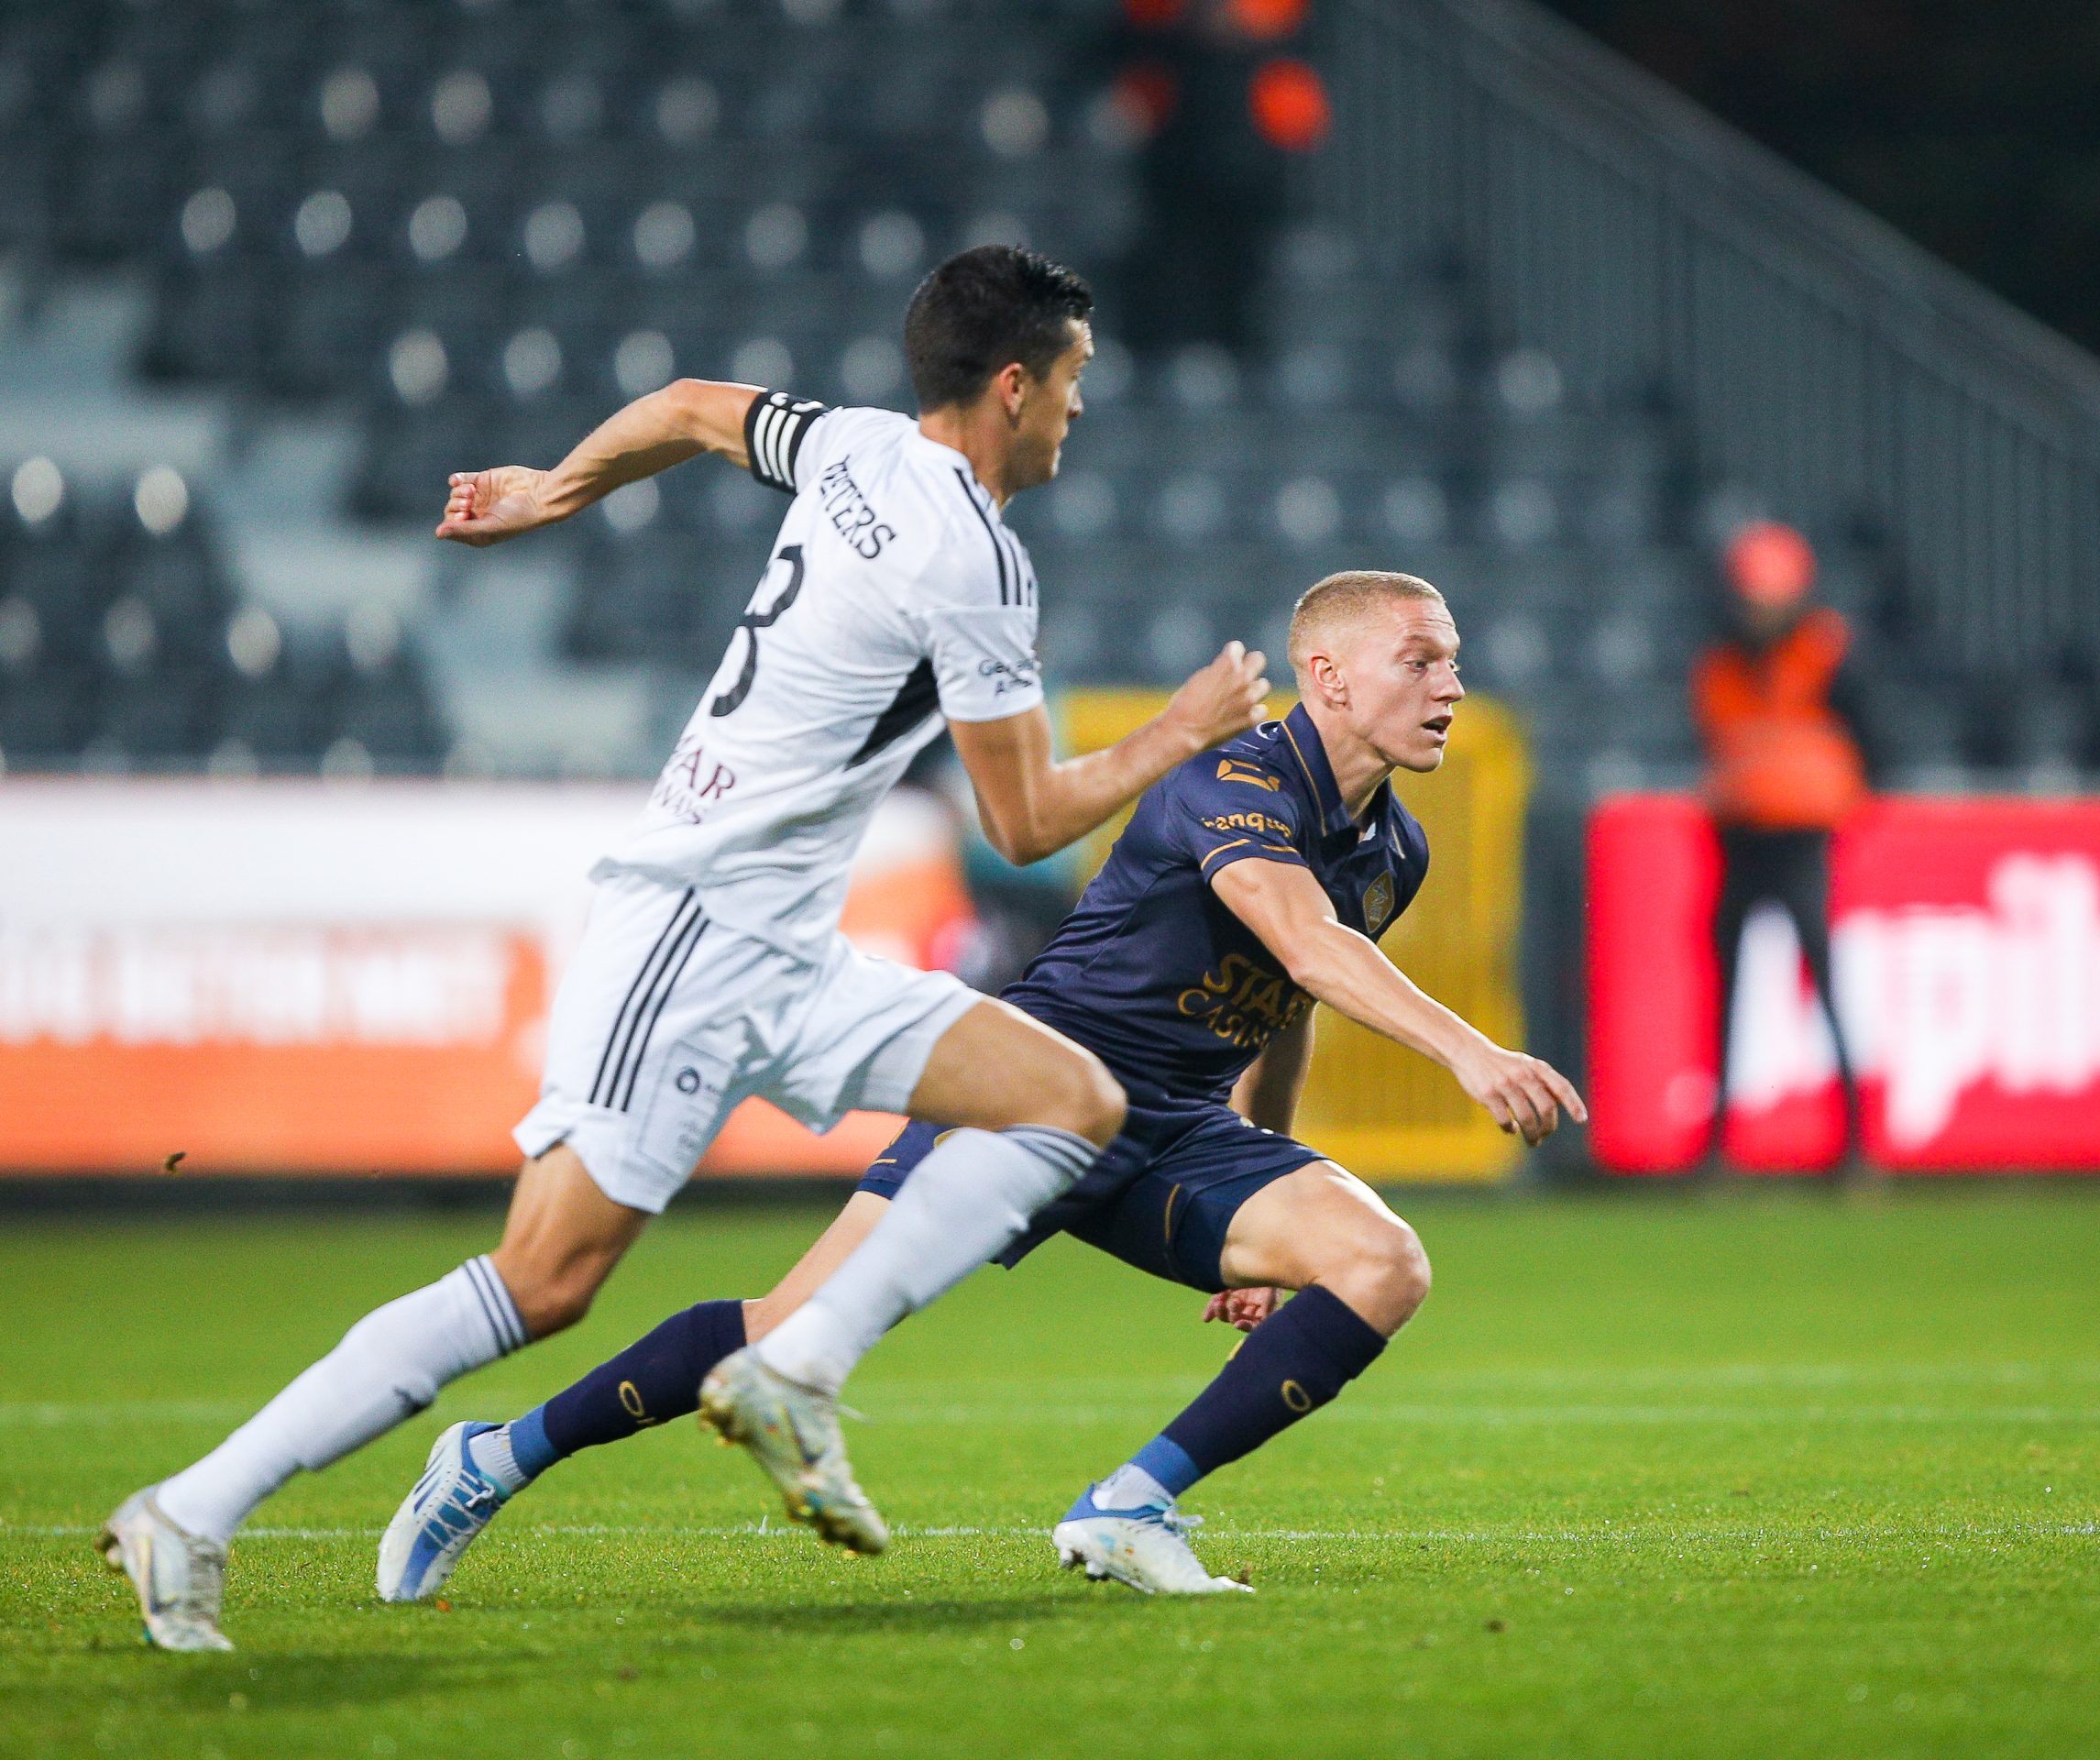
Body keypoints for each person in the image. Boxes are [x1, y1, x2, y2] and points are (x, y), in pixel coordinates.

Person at [98, 246, 1272, 1653]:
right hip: (695, 935)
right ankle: (196, 1507)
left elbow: (689, 406)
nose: (1081, 407)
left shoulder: (848, 446)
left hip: (786, 948)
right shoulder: (975, 560)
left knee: (1070, 1097)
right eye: (1073, 380)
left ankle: (799, 1366)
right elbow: (1021, 822)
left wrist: (553, 488)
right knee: (543, 1281)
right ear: (1014, 385)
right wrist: (1178, 735)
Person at [379, 571, 1584, 1599]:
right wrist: (1473, 1052)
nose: (1450, 686)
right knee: (788, 1328)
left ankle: (1129, 1508)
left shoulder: (1397, 847)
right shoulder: (1239, 782)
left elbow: (1293, 997)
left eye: (1455, 663)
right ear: (1324, 675)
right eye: (1420, 660)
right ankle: (495, 1457)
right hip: (1035, 1095)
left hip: (1178, 1132)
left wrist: (1266, 1180)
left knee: (1379, 1264)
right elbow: (1313, 943)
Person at [1691, 520, 1871, 1173]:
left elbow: (1873, 742)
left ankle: (1854, 1144)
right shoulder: (1720, 661)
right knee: (1727, 991)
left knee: (1823, 985)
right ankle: (1717, 1147)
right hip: (1739, 840)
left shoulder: (1828, 655)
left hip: (1801, 842)